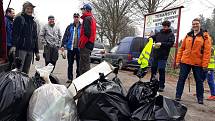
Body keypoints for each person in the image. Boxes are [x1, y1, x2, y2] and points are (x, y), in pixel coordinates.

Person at [175, 18, 212, 104]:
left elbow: (207, 52)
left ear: (200, 24)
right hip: (185, 61)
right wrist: (178, 60)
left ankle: (200, 98)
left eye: (197, 24)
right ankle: (178, 96)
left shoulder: (205, 36)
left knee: (199, 81)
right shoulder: (188, 35)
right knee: (181, 79)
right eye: (193, 24)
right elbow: (181, 48)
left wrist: (205, 64)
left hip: (197, 63)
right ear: (192, 25)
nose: (195, 25)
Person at [10, 1, 40, 74]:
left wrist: (37, 52)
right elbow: (15, 33)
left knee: (26, 72)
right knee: (18, 70)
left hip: (30, 50)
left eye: (31, 9)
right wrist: (13, 46)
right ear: (24, 9)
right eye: (28, 8)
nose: (30, 10)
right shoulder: (19, 19)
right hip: (21, 49)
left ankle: (23, 85)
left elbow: (35, 38)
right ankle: (16, 85)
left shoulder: (33, 23)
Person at [150, 20, 175, 92]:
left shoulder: (171, 35)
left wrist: (161, 44)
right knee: (153, 70)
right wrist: (150, 39)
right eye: (164, 26)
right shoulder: (158, 33)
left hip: (163, 56)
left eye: (166, 26)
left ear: (168, 26)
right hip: (155, 55)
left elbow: (170, 44)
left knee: (161, 70)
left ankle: (161, 86)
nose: (165, 27)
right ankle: (152, 83)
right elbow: (152, 37)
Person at [61, 13, 81, 82]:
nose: (76, 18)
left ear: (79, 18)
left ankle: (78, 77)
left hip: (79, 48)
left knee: (79, 64)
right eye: (75, 17)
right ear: (73, 18)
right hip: (70, 48)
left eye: (77, 17)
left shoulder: (82, 27)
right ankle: (70, 78)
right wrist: (63, 45)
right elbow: (65, 36)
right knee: (70, 64)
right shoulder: (69, 27)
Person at [79, 4, 96, 75]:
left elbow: (87, 33)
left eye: (82, 9)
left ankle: (84, 83)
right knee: (86, 63)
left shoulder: (87, 18)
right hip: (90, 44)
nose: (82, 11)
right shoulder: (92, 18)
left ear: (86, 10)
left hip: (86, 45)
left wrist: (82, 44)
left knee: (84, 66)